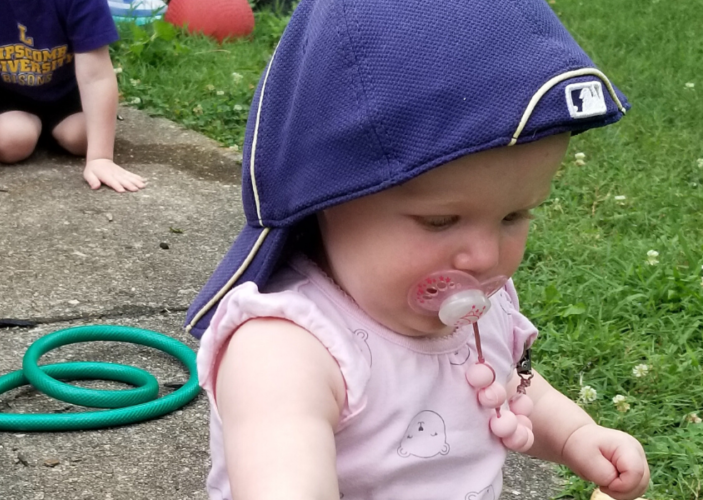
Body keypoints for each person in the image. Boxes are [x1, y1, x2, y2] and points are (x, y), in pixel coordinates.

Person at [183, 0, 650, 499]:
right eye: (440, 220)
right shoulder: (285, 351)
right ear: (327, 201)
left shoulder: (478, 308)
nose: (484, 257)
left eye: (514, 216)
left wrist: (578, 436)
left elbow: (514, 384)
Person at [0, 0, 146, 192]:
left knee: (82, 139)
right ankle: (30, 130)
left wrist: (100, 158)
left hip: (68, 91)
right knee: (12, 141)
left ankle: (58, 132)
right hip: (4, 94)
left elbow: (96, 77)